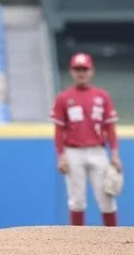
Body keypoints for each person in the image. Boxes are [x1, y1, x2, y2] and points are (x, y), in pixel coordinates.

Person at [50, 52, 122, 227]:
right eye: (77, 69)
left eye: (84, 69)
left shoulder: (102, 96)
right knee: (77, 200)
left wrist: (115, 153)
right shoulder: (63, 98)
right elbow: (59, 130)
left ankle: (114, 239)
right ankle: (77, 241)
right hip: (73, 151)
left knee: (107, 197)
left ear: (91, 71)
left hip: (98, 151)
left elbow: (110, 127)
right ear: (71, 72)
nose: (81, 73)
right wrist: (60, 156)